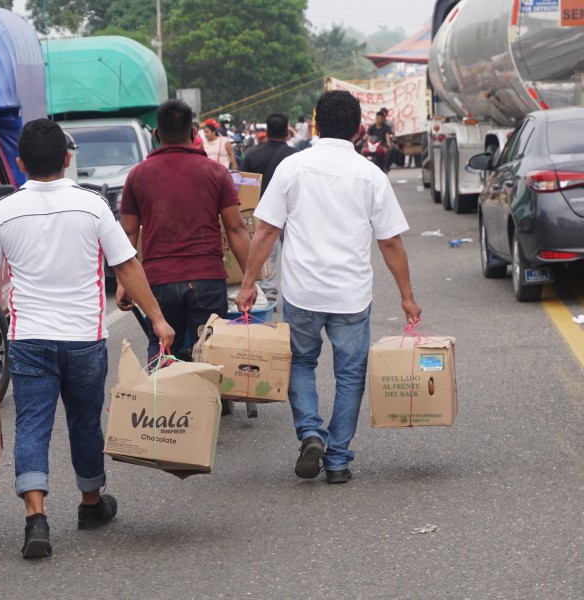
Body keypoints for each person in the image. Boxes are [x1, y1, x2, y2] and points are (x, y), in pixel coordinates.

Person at [0, 118, 174, 560]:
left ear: (20, 163)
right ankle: (90, 504)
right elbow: (127, 265)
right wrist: (157, 319)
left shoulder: (3, 210)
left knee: (32, 426)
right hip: (84, 338)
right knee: (84, 423)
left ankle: (36, 517)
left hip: (30, 341)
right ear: (67, 158)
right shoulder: (93, 206)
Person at [235, 91, 421, 484]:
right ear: (357, 129)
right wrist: (406, 296)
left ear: (316, 124)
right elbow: (390, 242)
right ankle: (337, 460)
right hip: (351, 295)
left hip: (302, 291)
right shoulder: (371, 174)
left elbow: (267, 229)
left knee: (300, 362)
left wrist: (249, 283)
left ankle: (310, 432)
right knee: (350, 374)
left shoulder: (292, 167)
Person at [116, 99, 251, 364]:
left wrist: (124, 283)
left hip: (158, 281)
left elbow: (128, 233)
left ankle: (161, 402)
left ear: (156, 135)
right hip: (207, 279)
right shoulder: (216, 172)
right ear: (194, 133)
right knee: (209, 351)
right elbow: (236, 228)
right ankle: (210, 402)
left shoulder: (137, 175)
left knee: (162, 346)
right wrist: (249, 281)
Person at [239, 113, 298, 302]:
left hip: (262, 213)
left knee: (267, 253)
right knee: (294, 253)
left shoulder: (252, 155)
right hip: (292, 212)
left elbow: (244, 186)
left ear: (267, 131)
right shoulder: (296, 157)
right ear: (287, 131)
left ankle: (269, 290)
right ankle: (295, 290)